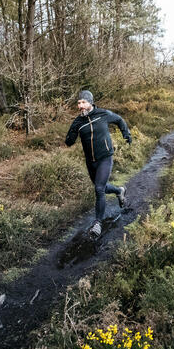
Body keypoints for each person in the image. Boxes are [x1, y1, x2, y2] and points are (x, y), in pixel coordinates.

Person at [65, 89, 132, 238]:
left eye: (83, 102)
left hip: (105, 157)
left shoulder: (103, 114)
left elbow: (119, 120)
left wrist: (126, 134)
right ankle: (119, 191)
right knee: (100, 187)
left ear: (90, 102)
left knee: (99, 188)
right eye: (78, 103)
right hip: (91, 161)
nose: (80, 106)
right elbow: (69, 141)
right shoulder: (78, 122)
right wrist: (70, 136)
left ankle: (97, 224)